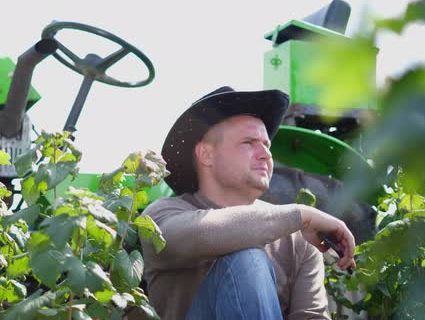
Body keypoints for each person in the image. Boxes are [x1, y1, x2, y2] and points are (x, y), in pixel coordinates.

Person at [139, 86, 356, 320]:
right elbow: (205, 234)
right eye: (249, 142)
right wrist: (301, 215)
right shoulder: (162, 215)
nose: (265, 154)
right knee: (247, 260)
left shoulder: (298, 241)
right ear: (206, 154)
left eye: (266, 145)